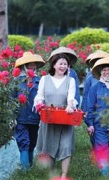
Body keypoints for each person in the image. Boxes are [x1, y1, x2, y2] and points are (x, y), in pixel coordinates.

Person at [34, 50, 77, 178]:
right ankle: (52, 173)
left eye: (65, 64)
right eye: (61, 64)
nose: (63, 66)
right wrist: (39, 104)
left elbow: (71, 97)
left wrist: (70, 106)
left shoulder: (71, 81)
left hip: (65, 118)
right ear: (54, 65)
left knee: (66, 146)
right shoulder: (44, 79)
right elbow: (40, 96)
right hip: (49, 117)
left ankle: (64, 175)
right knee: (48, 146)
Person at [13, 52, 45, 170]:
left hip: (35, 118)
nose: (32, 67)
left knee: (32, 143)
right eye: (29, 65)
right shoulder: (16, 82)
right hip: (20, 118)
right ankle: (25, 171)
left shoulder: (40, 81)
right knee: (23, 143)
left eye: (33, 65)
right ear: (23, 66)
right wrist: (12, 118)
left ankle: (30, 167)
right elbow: (11, 99)